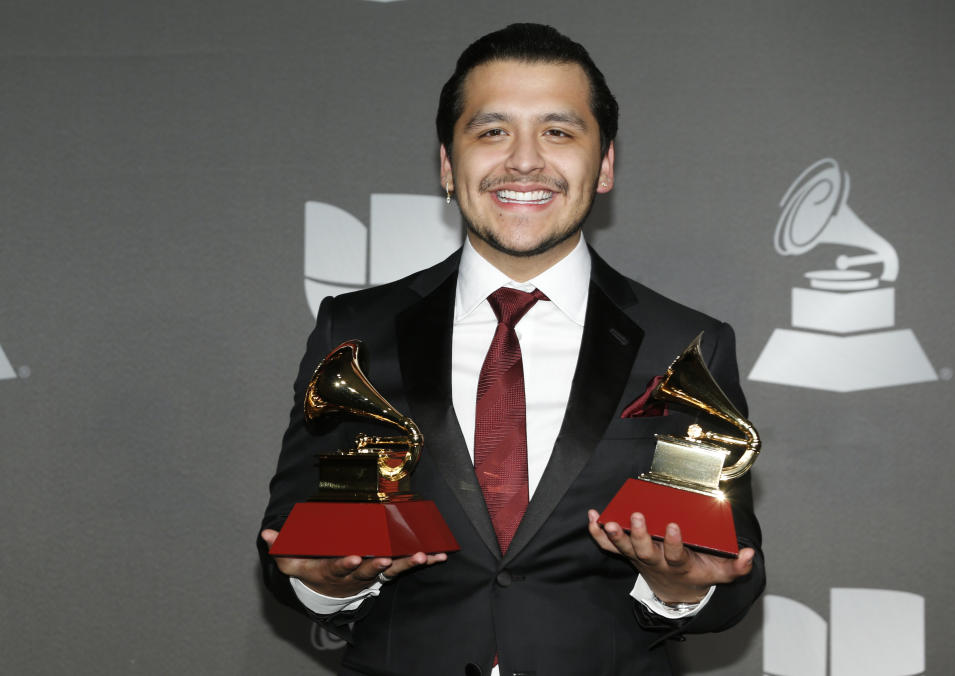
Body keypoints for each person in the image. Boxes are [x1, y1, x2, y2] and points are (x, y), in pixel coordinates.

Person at [259, 23, 764, 676]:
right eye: (492, 131)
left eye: (559, 131)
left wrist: (680, 586)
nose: (524, 160)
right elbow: (286, 547)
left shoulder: (687, 344)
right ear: (447, 162)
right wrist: (331, 581)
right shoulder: (351, 331)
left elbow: (736, 573)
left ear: (604, 163)